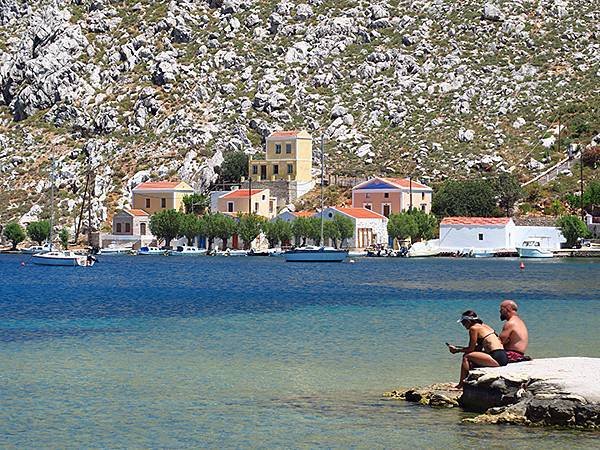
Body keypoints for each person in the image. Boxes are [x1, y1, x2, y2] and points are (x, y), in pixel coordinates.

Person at [447, 310, 508, 388]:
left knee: (466, 356)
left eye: (463, 323)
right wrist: (458, 348)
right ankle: (467, 381)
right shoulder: (484, 326)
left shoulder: (473, 328)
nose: (463, 325)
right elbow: (478, 348)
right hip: (503, 356)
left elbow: (471, 349)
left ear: (468, 321)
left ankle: (461, 385)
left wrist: (457, 350)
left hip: (496, 358)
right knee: (472, 356)